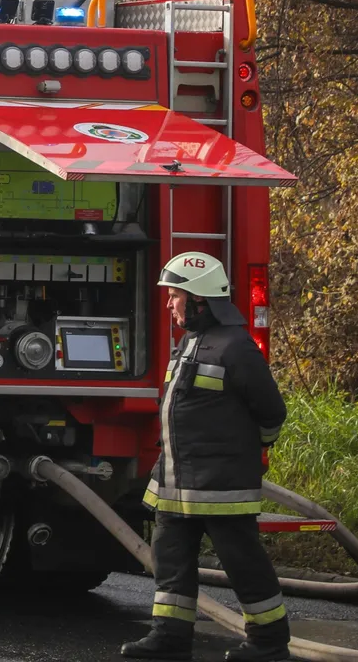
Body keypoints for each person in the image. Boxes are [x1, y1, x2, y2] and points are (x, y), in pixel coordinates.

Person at [122, 252, 289, 662]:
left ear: (199, 299)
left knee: (242, 563)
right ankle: (170, 637)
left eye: (175, 296)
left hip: (220, 486)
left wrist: (246, 452)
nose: (169, 304)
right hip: (176, 485)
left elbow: (271, 412)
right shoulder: (190, 343)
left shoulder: (237, 347)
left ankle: (268, 642)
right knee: (170, 560)